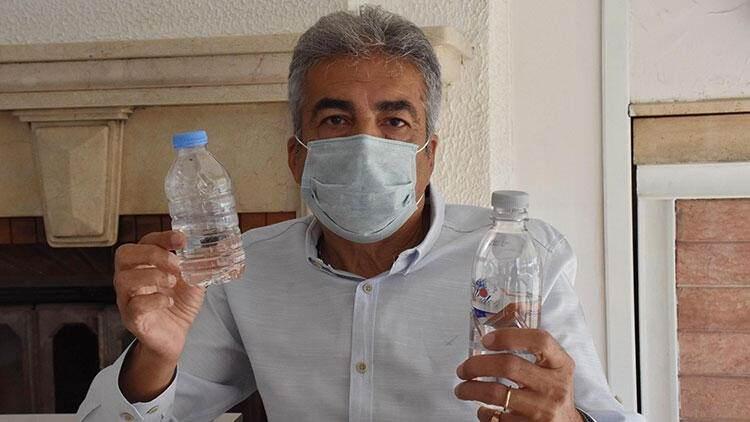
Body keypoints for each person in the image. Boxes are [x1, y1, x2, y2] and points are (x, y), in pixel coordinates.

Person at [78, 5, 643, 422]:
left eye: (395, 121)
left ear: (429, 155)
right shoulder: (244, 269)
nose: (366, 145)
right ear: (297, 155)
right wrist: (155, 356)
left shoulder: (522, 256)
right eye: (336, 120)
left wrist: (567, 418)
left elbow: (606, 415)